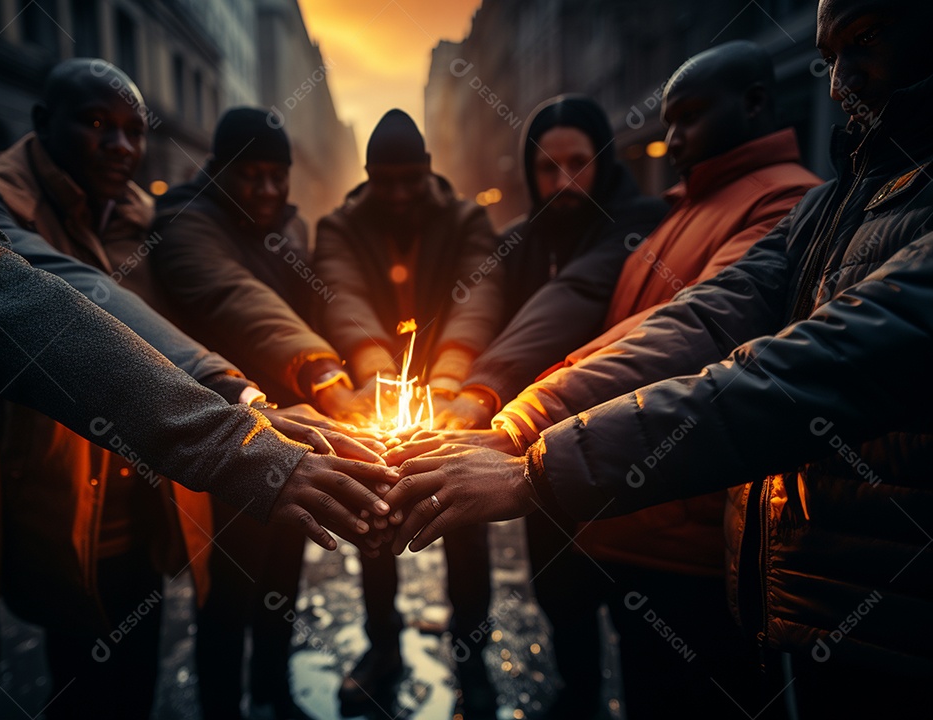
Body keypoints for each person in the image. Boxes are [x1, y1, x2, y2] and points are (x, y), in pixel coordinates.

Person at [385, 0, 933, 716]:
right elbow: (698, 321)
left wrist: (538, 467)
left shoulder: (784, 200)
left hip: (898, 613)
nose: (838, 84)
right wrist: (522, 422)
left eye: (862, 41)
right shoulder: (834, 204)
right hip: (815, 595)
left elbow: (811, 368)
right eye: (828, 58)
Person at [0, 3, 393, 717]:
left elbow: (84, 291)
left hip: (7, 549)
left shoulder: (138, 216)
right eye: (97, 124)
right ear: (43, 121)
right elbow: (17, 298)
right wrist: (238, 432)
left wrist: (239, 395)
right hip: (33, 522)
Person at [153, 107, 346, 720]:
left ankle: (272, 690)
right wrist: (320, 369)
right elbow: (238, 299)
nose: (265, 190)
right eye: (250, 175)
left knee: (283, 577)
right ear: (219, 170)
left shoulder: (292, 231)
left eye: (276, 176)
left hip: (294, 435)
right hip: (225, 435)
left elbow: (316, 304)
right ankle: (222, 707)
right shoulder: (186, 220)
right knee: (228, 593)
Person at [315, 109, 502, 718]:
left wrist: (449, 377)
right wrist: (374, 373)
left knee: (468, 531)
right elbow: (341, 294)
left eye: (408, 179)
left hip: (451, 396)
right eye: (383, 180)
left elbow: (479, 295)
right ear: (368, 175)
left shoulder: (468, 219)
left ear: (427, 170)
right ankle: (383, 650)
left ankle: (472, 662)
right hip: (376, 400)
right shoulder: (339, 227)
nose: (396, 193)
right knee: (374, 524)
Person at [434, 95, 667, 430]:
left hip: (611, 422)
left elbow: (577, 291)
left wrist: (483, 387)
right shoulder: (514, 240)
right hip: (512, 426)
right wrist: (448, 372)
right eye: (548, 167)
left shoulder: (642, 223)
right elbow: (480, 300)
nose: (564, 182)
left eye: (579, 163)